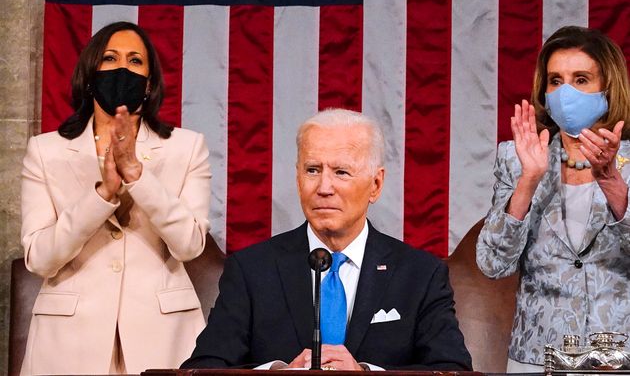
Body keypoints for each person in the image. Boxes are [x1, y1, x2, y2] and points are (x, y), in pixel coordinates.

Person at [182, 108, 472, 371]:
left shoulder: (420, 274)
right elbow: (205, 367)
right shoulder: (252, 269)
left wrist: (365, 373)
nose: (324, 187)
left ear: (376, 184)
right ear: (298, 179)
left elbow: (453, 369)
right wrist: (275, 372)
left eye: (341, 172)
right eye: (312, 170)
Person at [20, 22, 211, 375]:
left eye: (135, 61)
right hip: (68, 344)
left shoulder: (187, 147)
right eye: (110, 58)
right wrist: (103, 193)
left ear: (149, 82)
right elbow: (40, 259)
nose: (123, 69)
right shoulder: (45, 151)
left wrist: (138, 177)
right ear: (91, 72)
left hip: (163, 339)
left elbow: (190, 245)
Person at [476, 26, 630, 371]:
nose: (566, 93)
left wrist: (613, 186)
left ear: (608, 88)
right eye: (556, 81)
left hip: (618, 358)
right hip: (536, 356)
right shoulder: (516, 159)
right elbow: (491, 263)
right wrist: (528, 180)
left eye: (581, 79)